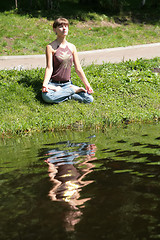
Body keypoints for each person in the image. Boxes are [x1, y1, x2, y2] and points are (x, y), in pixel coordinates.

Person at [42, 17, 94, 104]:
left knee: (89, 99)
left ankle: (63, 93)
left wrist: (87, 85)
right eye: (61, 26)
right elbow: (49, 68)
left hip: (67, 84)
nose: (64, 28)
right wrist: (45, 84)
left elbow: (78, 68)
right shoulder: (50, 47)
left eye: (66, 26)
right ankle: (72, 91)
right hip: (54, 84)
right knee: (47, 98)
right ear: (54, 29)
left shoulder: (72, 47)